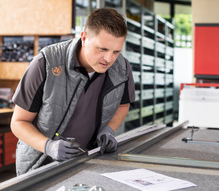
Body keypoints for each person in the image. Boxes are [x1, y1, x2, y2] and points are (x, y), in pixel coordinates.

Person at [10, 8, 135, 175]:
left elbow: (122, 105)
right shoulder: (46, 62)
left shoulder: (122, 67)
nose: (109, 59)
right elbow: (18, 123)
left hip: (88, 161)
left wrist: (109, 129)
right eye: (102, 49)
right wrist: (49, 146)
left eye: (116, 51)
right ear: (84, 38)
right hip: (41, 165)